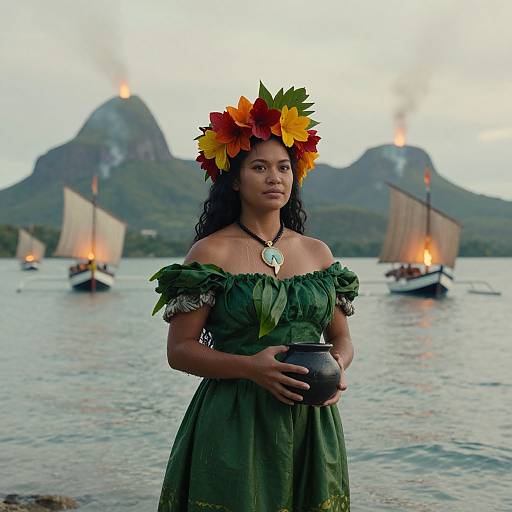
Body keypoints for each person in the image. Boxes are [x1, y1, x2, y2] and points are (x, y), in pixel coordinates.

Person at [150, 83, 359, 511]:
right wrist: (251, 368)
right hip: (234, 422)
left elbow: (343, 338)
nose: (275, 178)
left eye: (284, 167)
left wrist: (336, 368)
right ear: (234, 180)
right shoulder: (212, 253)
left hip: (311, 423)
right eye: (259, 168)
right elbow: (180, 350)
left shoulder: (318, 254)